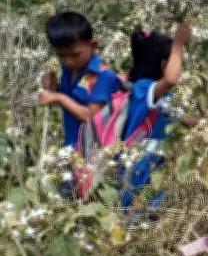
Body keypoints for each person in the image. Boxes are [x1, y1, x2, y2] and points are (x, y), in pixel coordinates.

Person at [117, 24, 198, 213]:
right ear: (163, 65)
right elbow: (170, 80)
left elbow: (185, 118)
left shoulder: (164, 98)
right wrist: (178, 45)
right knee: (130, 215)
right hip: (135, 172)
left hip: (152, 173)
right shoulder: (143, 89)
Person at [39, 12, 120, 148]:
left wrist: (59, 98)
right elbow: (71, 100)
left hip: (95, 150)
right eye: (61, 55)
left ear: (93, 45)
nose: (68, 61)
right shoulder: (68, 70)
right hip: (72, 146)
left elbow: (92, 117)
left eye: (75, 55)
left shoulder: (103, 76)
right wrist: (53, 88)